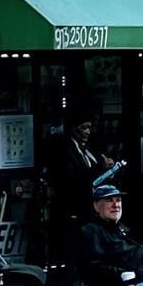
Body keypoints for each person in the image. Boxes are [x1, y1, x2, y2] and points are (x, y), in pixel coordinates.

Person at [45, 112, 115, 266]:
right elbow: (72, 177)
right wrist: (99, 168)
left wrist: (107, 170)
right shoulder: (64, 149)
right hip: (72, 209)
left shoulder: (87, 149)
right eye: (84, 128)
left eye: (89, 128)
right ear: (73, 128)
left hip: (88, 207)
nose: (88, 132)